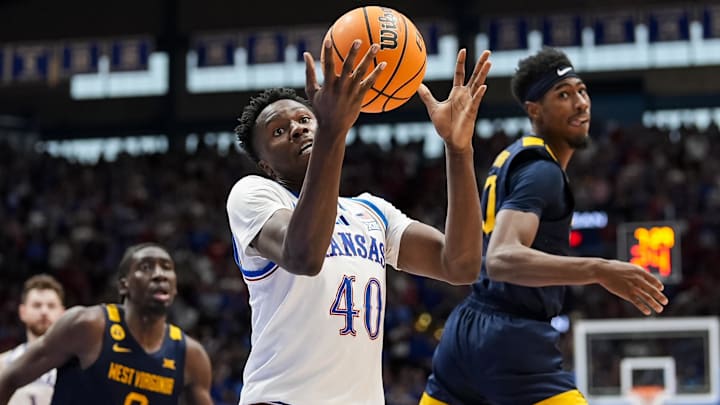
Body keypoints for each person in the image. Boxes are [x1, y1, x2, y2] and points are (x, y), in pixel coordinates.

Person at [226, 37, 491, 404]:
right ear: (266, 165)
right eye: (279, 131)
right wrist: (332, 131)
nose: (298, 129)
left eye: (305, 119)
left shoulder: (372, 212)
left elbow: (460, 265)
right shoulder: (253, 195)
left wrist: (459, 150)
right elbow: (304, 256)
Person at [419, 47, 670, 405]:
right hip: (510, 338)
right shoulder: (543, 171)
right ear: (534, 110)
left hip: (466, 330)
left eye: (581, 91)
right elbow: (502, 259)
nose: (581, 103)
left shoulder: (516, 155)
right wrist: (599, 269)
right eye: (563, 95)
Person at [0, 243, 213, 405]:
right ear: (123, 285)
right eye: (146, 267)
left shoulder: (191, 357)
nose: (159, 275)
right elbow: (9, 378)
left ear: (175, 287)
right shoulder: (87, 326)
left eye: (167, 268)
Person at [0, 275, 66, 405]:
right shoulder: (2, 364)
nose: (44, 311)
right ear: (22, 312)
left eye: (51, 306)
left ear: (63, 313)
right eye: (37, 305)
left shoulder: (77, 366)